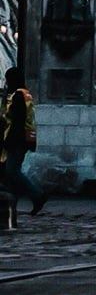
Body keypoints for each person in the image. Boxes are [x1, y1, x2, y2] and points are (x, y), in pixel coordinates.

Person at [1, 65, 44, 225]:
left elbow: (17, 122)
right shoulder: (23, 94)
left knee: (12, 171)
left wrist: (7, 141)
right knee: (10, 177)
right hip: (23, 139)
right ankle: (11, 210)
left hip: (16, 140)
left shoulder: (18, 96)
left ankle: (37, 195)